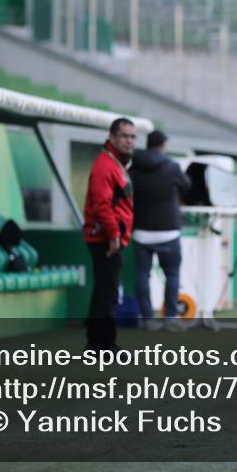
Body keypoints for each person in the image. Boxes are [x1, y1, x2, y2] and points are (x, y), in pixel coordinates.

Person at [129, 129, 191, 333]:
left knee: (142, 274)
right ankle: (170, 318)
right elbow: (187, 186)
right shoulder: (172, 167)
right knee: (172, 275)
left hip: (141, 231)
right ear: (163, 145)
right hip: (168, 230)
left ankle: (147, 319)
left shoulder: (133, 167)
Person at [83, 118, 135, 351]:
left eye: (132, 137)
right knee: (108, 294)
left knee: (103, 291)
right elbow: (102, 204)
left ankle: (95, 345)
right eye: (124, 136)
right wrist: (114, 236)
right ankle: (105, 345)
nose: (129, 141)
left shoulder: (116, 163)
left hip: (109, 237)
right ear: (112, 137)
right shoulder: (105, 165)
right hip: (106, 239)